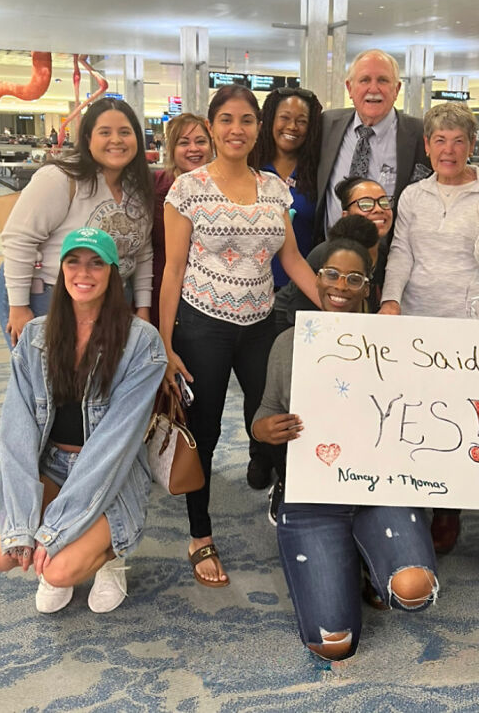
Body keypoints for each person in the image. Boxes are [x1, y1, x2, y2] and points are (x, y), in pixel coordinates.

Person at [159, 84, 321, 588]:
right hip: (202, 324)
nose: (236, 129)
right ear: (211, 127)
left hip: (260, 325)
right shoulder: (187, 189)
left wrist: (340, 308)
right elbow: (174, 269)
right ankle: (200, 533)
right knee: (203, 433)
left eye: (247, 120)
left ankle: (295, 511)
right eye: (226, 119)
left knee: (275, 420)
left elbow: (291, 258)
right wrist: (164, 346)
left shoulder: (274, 188)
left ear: (258, 127)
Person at [252, 233, 438, 661]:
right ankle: (345, 555)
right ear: (315, 280)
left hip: (383, 488)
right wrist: (266, 430)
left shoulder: (400, 345)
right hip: (314, 491)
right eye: (331, 275)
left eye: (354, 278)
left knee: (414, 591)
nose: (340, 286)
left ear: (369, 288)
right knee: (333, 645)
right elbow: (262, 415)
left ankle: (368, 563)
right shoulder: (289, 343)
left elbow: (437, 412)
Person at [0, 228, 166, 614]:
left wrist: (54, 531)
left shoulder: (140, 342)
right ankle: (74, 540)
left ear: (113, 272)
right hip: (52, 463)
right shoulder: (34, 336)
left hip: (112, 468)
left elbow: (114, 446)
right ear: (60, 270)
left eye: (97, 262)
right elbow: (16, 433)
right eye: (74, 261)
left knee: (60, 570)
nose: (85, 272)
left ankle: (112, 557)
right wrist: (21, 525)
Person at [379, 102, 479, 554]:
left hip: (470, 319)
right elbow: (401, 253)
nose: (449, 149)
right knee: (416, 409)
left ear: (471, 145)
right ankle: (413, 495)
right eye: (440, 140)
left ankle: (448, 509)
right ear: (428, 146)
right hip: (417, 316)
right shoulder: (414, 195)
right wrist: (390, 300)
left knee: (458, 415)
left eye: (458, 141)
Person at [0, 98, 154, 348]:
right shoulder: (61, 178)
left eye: (125, 132)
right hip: (50, 296)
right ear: (88, 139)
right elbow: (18, 239)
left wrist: (143, 307)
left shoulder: (138, 188)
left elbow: (143, 253)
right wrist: (18, 307)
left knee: (100, 379)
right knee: (50, 379)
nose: (116, 140)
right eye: (105, 132)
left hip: (111, 299)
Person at [315, 49, 428, 238]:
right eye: (365, 80)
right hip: (330, 254)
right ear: (350, 88)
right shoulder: (326, 125)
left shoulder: (419, 134)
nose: (374, 89)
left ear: (397, 89)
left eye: (383, 80)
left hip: (391, 259)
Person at [274, 175, 394, 332]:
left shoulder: (388, 257)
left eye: (384, 202)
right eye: (365, 204)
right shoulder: (327, 255)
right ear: (346, 215)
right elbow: (300, 318)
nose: (378, 209)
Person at [254, 87, 323, 288]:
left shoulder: (316, 172)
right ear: (269, 120)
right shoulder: (251, 167)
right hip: (251, 285)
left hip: (299, 287)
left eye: (302, 121)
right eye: (284, 118)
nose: (292, 127)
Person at [150, 113, 212, 327]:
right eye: (183, 142)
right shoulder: (155, 187)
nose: (193, 149)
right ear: (172, 150)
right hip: (159, 290)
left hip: (205, 300)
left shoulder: (223, 189)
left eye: (201, 141)